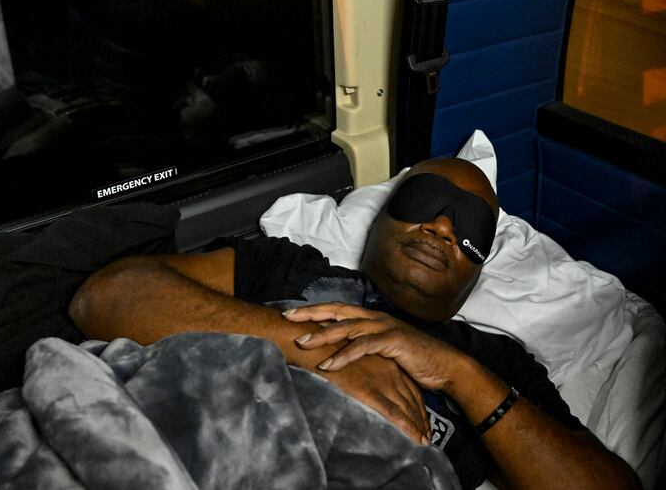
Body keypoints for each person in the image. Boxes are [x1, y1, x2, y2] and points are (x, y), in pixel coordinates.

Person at [68, 157, 640, 489]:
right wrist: (317, 351)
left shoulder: (500, 365)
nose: (441, 228)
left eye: (469, 228)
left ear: (478, 270)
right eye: (426, 200)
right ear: (384, 215)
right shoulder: (292, 267)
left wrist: (458, 375)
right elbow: (106, 297)